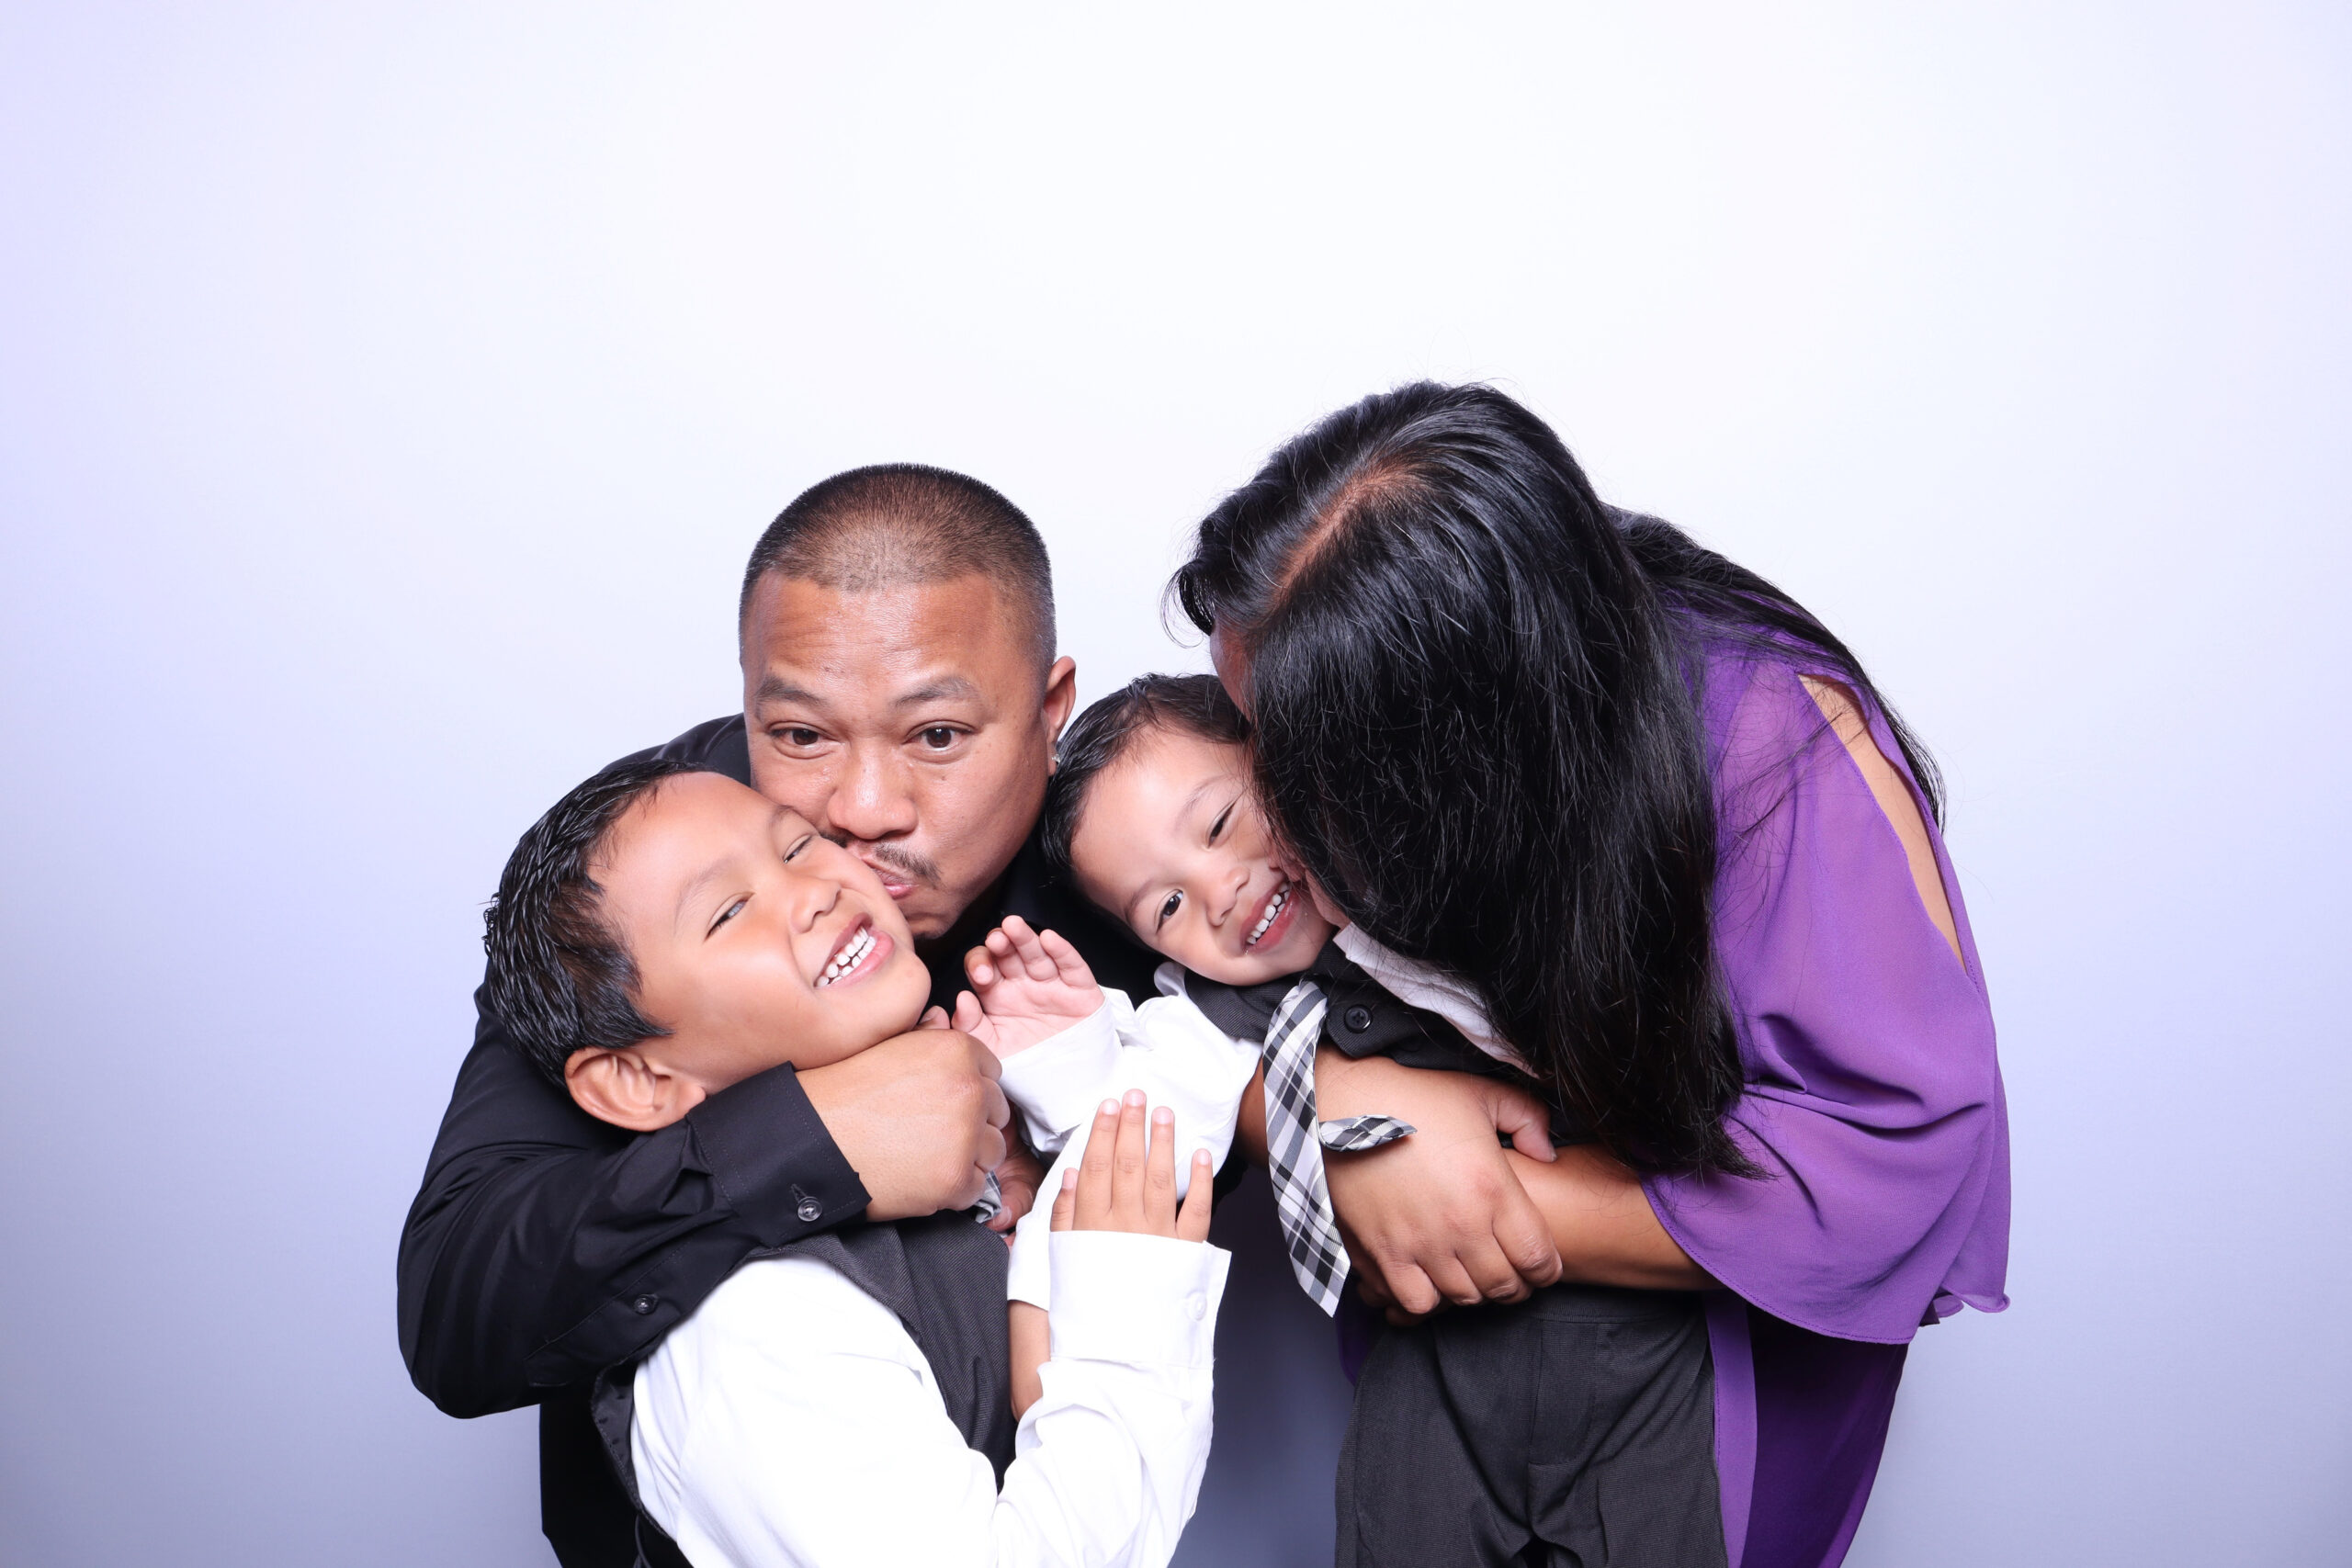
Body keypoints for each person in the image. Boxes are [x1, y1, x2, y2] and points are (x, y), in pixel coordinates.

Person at [1171, 382, 2011, 1568]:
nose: (1261, 796)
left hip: (1710, 1411)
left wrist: (1458, 1193)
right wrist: (1322, 1112)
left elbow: (1896, 1163)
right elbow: (1119, 993)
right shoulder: (1365, 780)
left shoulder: (1773, 741)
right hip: (1458, 1409)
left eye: (1291, 751)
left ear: (1446, 751)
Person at [398, 465, 1164, 1566]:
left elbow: (1293, 975)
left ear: (1050, 714)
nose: (861, 812)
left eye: (937, 736)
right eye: (801, 736)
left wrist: (1337, 1099)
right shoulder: (645, 859)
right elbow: (459, 1304)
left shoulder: (1139, 820)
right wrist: (820, 1141)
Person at [941, 674, 1722, 1559]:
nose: (1220, 891)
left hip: (1641, 1347)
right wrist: (1047, 1333)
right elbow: (1125, 1139)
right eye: (1168, 907)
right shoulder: (1210, 1024)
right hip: (1431, 1372)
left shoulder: (1442, 856)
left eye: (1220, 824)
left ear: (1284, 758)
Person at [477, 753, 1228, 1568]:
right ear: (637, 1079)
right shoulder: (761, 1327)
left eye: (799, 845)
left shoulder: (942, 1133)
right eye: (729, 911)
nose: (816, 889)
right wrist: (1126, 1307)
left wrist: (1066, 1092)